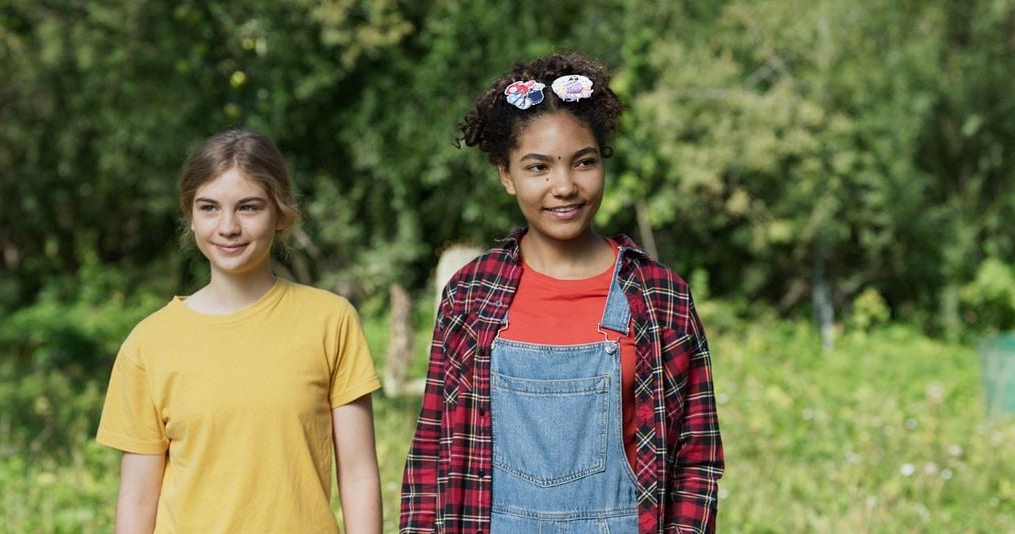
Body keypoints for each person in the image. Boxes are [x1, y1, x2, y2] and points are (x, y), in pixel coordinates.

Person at [399, 52, 724, 533]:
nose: (565, 186)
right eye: (538, 168)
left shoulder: (660, 297)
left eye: (583, 162)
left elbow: (697, 460)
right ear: (506, 176)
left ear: (603, 162)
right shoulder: (470, 297)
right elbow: (431, 455)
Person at [96, 129, 382, 533]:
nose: (227, 227)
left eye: (248, 207)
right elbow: (138, 495)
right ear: (190, 218)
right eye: (209, 207)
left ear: (280, 214)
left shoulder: (331, 321)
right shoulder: (149, 344)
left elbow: (358, 476)